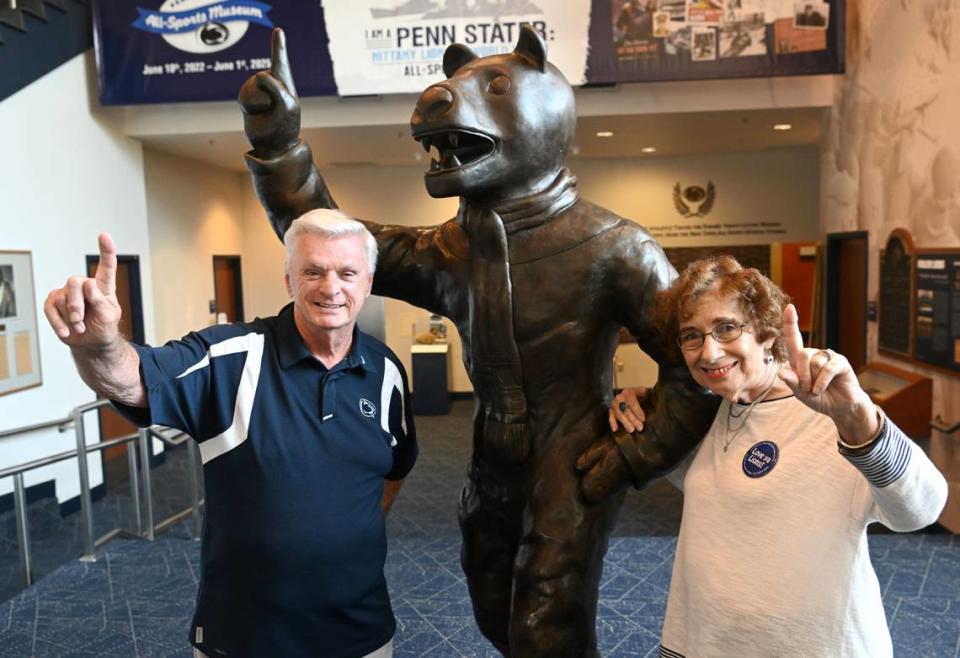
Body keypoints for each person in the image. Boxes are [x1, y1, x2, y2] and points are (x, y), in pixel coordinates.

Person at [43, 209, 417, 658]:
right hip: (249, 637)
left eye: (347, 272)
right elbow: (134, 380)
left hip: (363, 632)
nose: (331, 287)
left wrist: (350, 530)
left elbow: (396, 465)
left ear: (368, 282)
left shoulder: (386, 370)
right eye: (312, 271)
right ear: (289, 281)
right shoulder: (231, 357)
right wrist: (100, 346)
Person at [602, 256, 947, 657]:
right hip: (707, 641)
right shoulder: (709, 411)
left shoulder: (830, 412)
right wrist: (642, 401)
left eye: (727, 328)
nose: (709, 352)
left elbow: (923, 509)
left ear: (766, 333)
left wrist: (859, 420)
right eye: (691, 336)